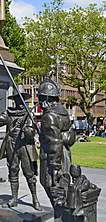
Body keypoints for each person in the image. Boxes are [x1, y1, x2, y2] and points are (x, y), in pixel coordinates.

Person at [0, 86, 42, 210]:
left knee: (29, 173)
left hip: (25, 146)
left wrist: (25, 129)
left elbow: (32, 133)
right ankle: (14, 198)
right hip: (11, 145)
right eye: (16, 99)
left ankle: (35, 198)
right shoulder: (9, 113)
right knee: (13, 172)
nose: (19, 102)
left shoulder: (29, 113)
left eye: (21, 99)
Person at [37, 77, 75, 205]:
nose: (39, 102)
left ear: (47, 99)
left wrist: (55, 167)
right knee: (63, 189)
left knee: (52, 187)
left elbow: (55, 143)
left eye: (40, 98)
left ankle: (61, 221)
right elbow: (70, 137)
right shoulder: (63, 113)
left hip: (53, 160)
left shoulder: (49, 117)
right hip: (65, 156)